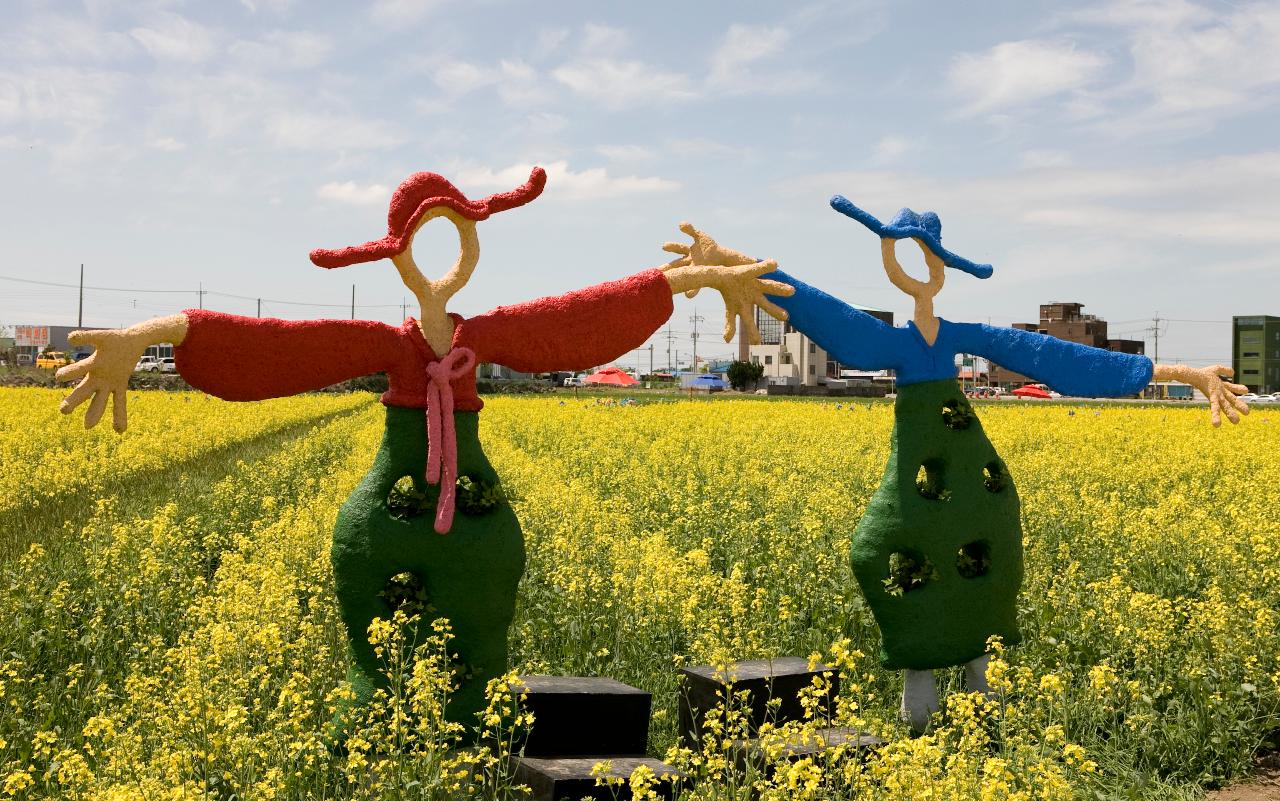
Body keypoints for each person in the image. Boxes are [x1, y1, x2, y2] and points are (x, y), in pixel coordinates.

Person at [57, 167, 791, 739]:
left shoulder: (488, 333)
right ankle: (380, 713)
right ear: (398, 256)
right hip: (390, 508)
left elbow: (585, 314)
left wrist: (696, 279)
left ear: (468, 245)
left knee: (482, 597)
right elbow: (274, 346)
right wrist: (148, 335)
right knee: (376, 611)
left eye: (456, 236)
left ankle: (474, 718)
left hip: (470, 506)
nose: (440, 261)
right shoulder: (385, 343)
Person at [664, 199, 1248, 732]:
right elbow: (822, 311)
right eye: (901, 251)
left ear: (942, 267)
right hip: (928, 467)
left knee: (978, 560)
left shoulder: (958, 334)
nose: (918, 269)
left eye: (927, 257)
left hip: (977, 476)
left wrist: (1182, 373)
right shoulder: (886, 342)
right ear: (890, 258)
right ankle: (925, 703)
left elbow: (1058, 358)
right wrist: (731, 264)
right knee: (880, 551)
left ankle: (978, 707)